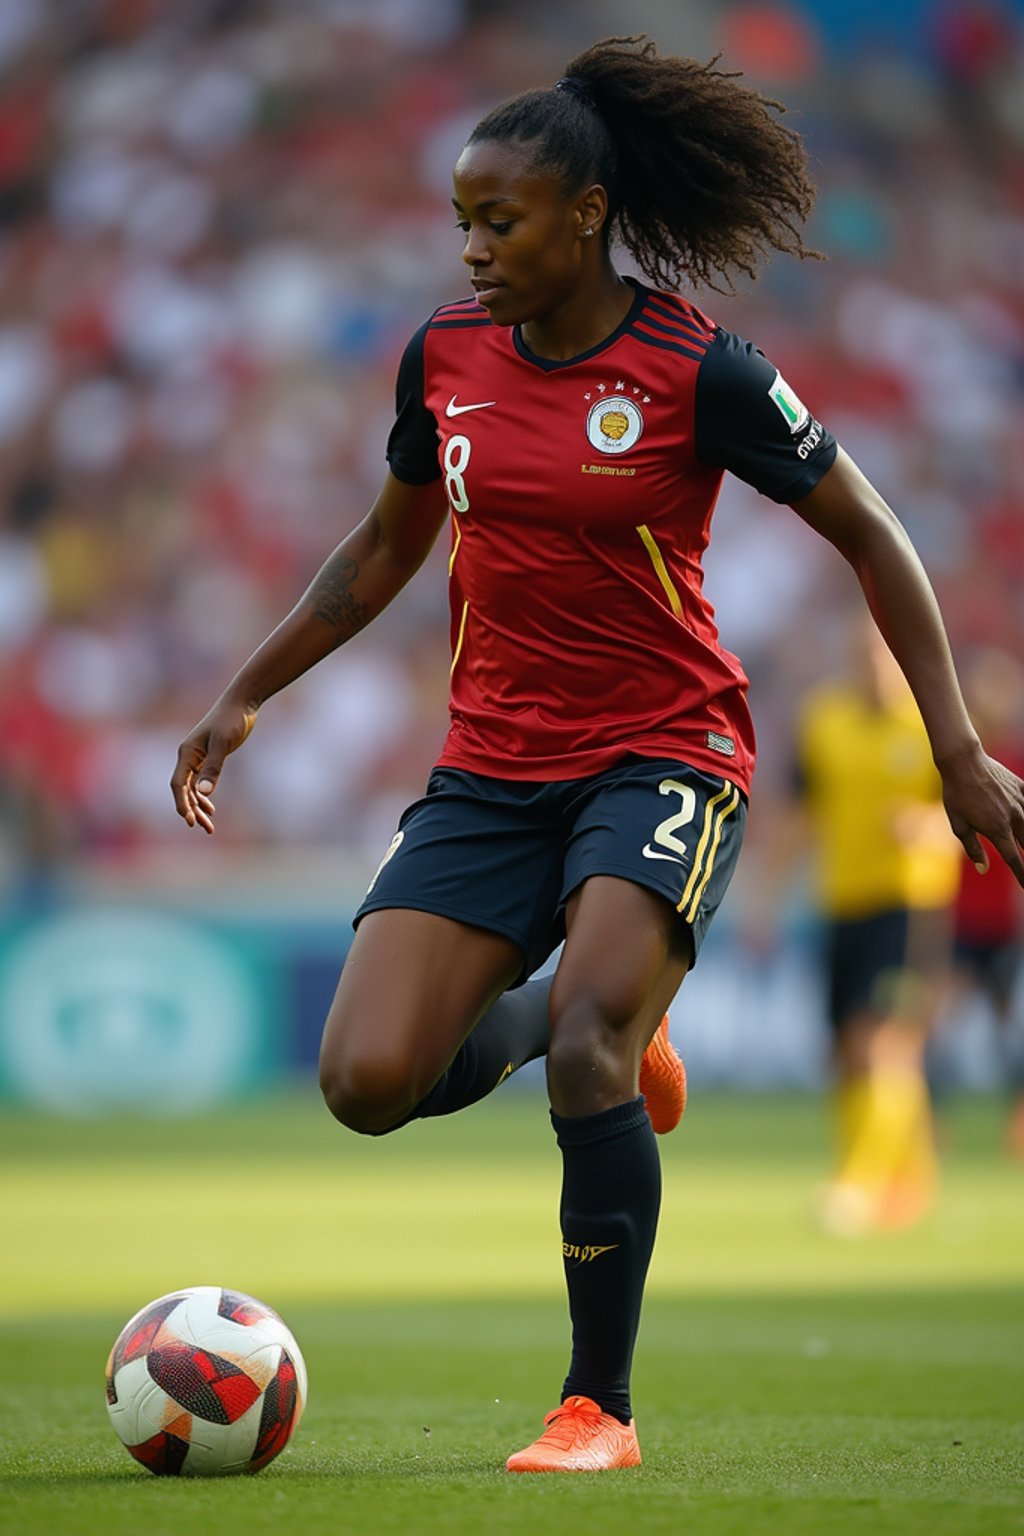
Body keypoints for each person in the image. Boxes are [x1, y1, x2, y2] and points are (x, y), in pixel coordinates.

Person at [171, 37, 1024, 1472]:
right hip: (492, 766)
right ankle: (610, 1006)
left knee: (587, 1059)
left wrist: (956, 747)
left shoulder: (701, 372)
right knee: (371, 1084)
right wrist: (245, 692)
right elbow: (386, 548)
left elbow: (873, 532)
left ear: (583, 214)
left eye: (499, 219)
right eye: (462, 221)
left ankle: (597, 1410)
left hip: (665, 752)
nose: (474, 247)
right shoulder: (442, 356)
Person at [791, 616, 961, 1236]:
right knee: (844, 1051)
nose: (873, 666)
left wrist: (928, 830)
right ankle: (911, 1177)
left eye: (882, 654)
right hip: (840, 903)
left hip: (909, 906)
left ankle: (857, 1184)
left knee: (882, 1041)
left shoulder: (930, 727)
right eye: (862, 654)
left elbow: (964, 813)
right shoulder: (824, 722)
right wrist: (761, 891)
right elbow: (800, 808)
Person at [946, 647, 1024, 1156]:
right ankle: (932, 1130)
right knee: (935, 1030)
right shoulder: (956, 769)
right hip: (959, 922)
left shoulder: (1015, 765)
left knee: (1008, 1037)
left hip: (1004, 925)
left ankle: (1016, 1125)